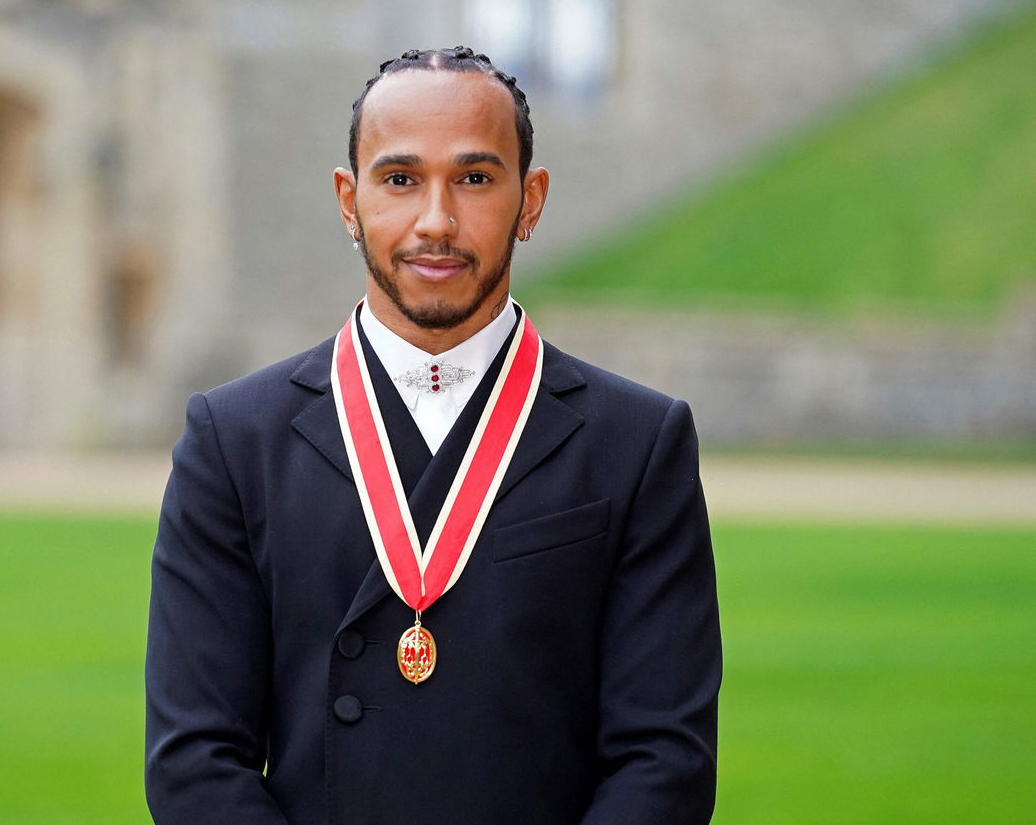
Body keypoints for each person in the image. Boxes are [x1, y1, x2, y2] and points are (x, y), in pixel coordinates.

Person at [145, 46, 721, 825]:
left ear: (532, 199)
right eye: (401, 178)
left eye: (476, 179)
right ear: (349, 200)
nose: (436, 221)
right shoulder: (233, 439)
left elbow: (666, 760)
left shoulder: (639, 441)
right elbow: (193, 758)